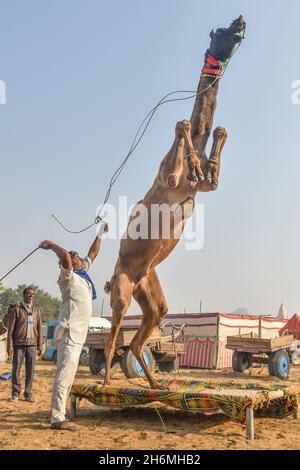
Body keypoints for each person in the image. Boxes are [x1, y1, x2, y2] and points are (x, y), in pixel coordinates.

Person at [40, 223, 108, 431]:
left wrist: (99, 234)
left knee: (69, 376)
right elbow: (67, 258)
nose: (80, 258)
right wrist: (52, 246)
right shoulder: (68, 278)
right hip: (69, 333)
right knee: (64, 375)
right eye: (76, 257)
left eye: (79, 256)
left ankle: (59, 413)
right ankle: (56, 418)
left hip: (78, 335)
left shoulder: (84, 274)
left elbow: (93, 253)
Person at [6, 288, 43, 402]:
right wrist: (9, 346)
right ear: (24, 296)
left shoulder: (37, 310)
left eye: (32, 294)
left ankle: (28, 394)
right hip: (19, 344)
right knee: (16, 369)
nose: (31, 296)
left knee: (30, 370)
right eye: (28, 294)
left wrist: (40, 345)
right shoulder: (16, 310)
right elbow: (10, 330)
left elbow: (40, 328)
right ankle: (15, 394)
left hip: (32, 345)